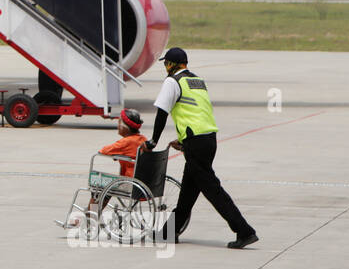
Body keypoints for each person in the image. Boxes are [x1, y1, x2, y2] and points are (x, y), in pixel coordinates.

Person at [147, 47, 258, 248]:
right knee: (188, 192)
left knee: (213, 191)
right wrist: (183, 142)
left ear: (171, 64)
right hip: (207, 139)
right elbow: (196, 112)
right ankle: (169, 232)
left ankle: (244, 231)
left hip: (196, 143)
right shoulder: (197, 81)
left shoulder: (173, 81)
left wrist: (153, 141)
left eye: (166, 63)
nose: (165, 67)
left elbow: (162, 113)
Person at [61, 108, 147, 228]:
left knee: (99, 184)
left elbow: (103, 151)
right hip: (144, 182)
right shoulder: (143, 140)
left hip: (129, 183)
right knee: (106, 187)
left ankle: (90, 215)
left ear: (124, 127)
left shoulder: (125, 142)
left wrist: (118, 154)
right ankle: (92, 213)